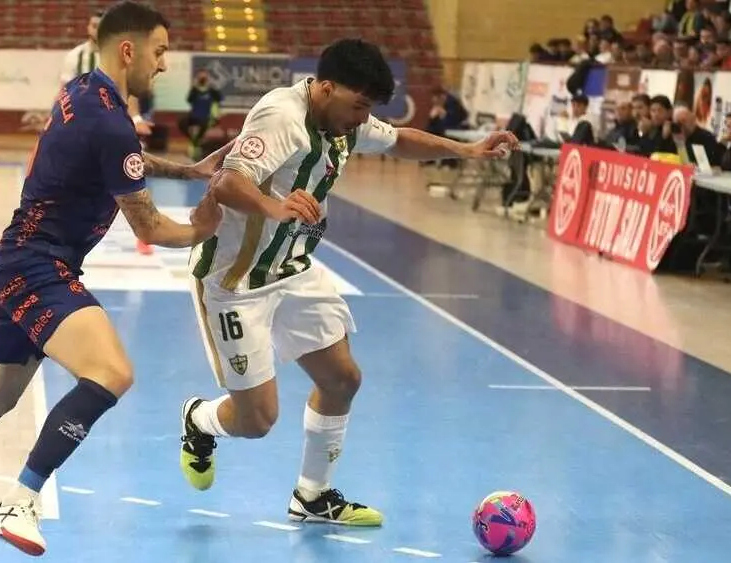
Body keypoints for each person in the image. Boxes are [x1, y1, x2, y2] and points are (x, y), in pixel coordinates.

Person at [0, 1, 227, 556]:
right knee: (111, 373)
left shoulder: (83, 91)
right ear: (128, 50)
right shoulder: (113, 123)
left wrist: (188, 170)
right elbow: (149, 223)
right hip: (38, 265)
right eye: (158, 52)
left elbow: (119, 156)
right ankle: (20, 500)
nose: (162, 65)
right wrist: (203, 226)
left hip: (18, 259)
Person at [179, 38, 517, 526]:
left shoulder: (343, 120)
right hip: (235, 280)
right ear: (326, 88)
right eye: (359, 106)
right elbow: (227, 181)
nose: (363, 118)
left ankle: (312, 497)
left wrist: (468, 150)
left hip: (293, 268)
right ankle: (198, 420)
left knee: (342, 380)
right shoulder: (281, 116)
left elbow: (399, 140)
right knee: (256, 421)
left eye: (369, 109)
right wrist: (277, 206)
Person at [60, 8, 157, 257]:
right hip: (82, 131)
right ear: (88, 29)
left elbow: (128, 91)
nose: (95, 30)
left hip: (115, 128)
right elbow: (65, 92)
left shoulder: (120, 54)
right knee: (76, 183)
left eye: (100, 25)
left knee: (134, 177)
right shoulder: (76, 56)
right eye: (92, 26)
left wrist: (134, 119)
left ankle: (145, 234)